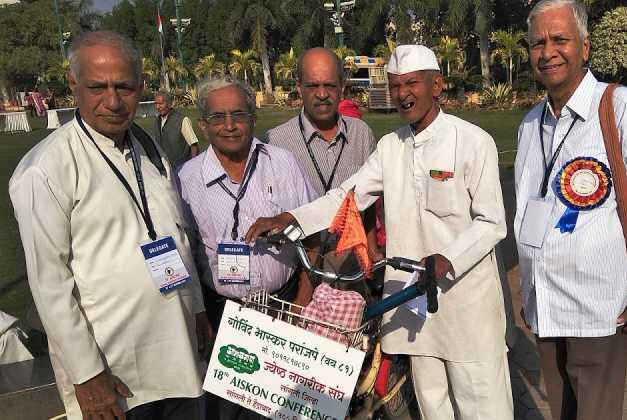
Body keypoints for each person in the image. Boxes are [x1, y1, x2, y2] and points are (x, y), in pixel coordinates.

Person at [245, 44, 513, 420]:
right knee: (433, 405)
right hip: (411, 302)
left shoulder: (473, 141)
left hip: (465, 301)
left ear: (437, 85)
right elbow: (346, 197)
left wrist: (447, 257)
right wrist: (292, 218)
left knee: (482, 406)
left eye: (413, 84)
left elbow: (492, 222)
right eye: (396, 85)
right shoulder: (391, 146)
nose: (403, 93)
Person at [9, 31, 210, 420]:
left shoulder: (146, 147)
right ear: (73, 85)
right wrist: (87, 376)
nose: (114, 101)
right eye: (98, 87)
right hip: (114, 373)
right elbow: (50, 285)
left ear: (142, 86)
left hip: (180, 356)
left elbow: (175, 234)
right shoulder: (46, 169)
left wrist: (198, 309)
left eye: (125, 87)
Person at [516, 2, 627, 419]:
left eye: (560, 40)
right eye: (538, 42)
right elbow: (525, 210)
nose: (548, 52)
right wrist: (529, 290)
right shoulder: (530, 123)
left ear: (585, 47)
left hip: (598, 309)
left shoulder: (622, 108)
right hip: (546, 308)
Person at [177, 75, 316, 419]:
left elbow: (315, 233)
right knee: (231, 413)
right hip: (222, 313)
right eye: (217, 118)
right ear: (202, 126)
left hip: (284, 308)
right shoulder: (185, 178)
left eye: (238, 115)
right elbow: (185, 257)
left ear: (253, 119)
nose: (229, 126)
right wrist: (199, 315)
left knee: (288, 411)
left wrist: (303, 297)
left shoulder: (281, 163)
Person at [266, 47, 381, 275]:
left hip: (351, 266)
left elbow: (368, 201)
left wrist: (372, 249)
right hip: (298, 268)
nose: (321, 94)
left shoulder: (361, 134)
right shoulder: (275, 141)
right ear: (299, 87)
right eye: (313, 86)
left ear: (341, 87)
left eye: (329, 85)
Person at [154, 90, 200, 167]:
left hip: (183, 168)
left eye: (161, 104)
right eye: (156, 104)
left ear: (169, 104)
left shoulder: (182, 120)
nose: (157, 107)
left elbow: (194, 145)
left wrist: (193, 167)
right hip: (166, 169)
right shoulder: (157, 121)